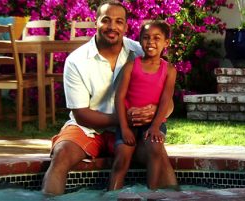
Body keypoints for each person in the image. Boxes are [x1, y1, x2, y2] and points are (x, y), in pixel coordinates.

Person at [41, 1, 175, 195]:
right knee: (61, 154)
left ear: (126, 27)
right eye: (106, 20)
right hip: (89, 128)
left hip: (133, 130)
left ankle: (176, 197)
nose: (112, 27)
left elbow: (168, 102)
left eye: (119, 21)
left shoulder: (141, 52)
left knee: (159, 154)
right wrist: (123, 119)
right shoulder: (76, 61)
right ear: (95, 23)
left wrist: (155, 113)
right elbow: (81, 115)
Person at [109, 20, 178, 190]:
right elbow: (119, 97)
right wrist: (124, 128)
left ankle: (151, 192)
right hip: (129, 124)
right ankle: (111, 194)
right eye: (146, 38)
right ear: (140, 41)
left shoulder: (169, 70)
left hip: (154, 123)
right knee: (122, 158)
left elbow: (165, 100)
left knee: (155, 149)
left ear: (166, 43)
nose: (151, 42)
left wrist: (155, 126)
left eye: (157, 38)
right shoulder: (131, 66)